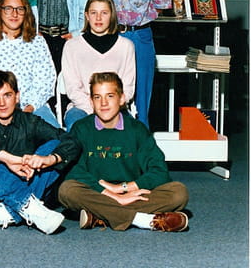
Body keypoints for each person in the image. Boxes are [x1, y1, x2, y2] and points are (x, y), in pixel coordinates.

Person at [58, 72, 189, 232]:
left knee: (178, 192)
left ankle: (101, 215)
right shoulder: (81, 128)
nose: (103, 103)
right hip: (97, 192)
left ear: (121, 99)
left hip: (132, 193)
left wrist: (123, 189)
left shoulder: (137, 129)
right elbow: (74, 171)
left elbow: (159, 170)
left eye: (110, 96)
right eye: (98, 97)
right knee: (67, 190)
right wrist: (112, 194)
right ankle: (143, 220)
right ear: (91, 102)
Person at [0, 70, 80, 234]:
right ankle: (26, 206)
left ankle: (6, 213)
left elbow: (71, 141)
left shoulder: (30, 121)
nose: (2, 103)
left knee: (54, 146)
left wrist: (49, 159)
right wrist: (8, 159)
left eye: (7, 95)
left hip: (20, 189)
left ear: (17, 96)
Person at [0, 0, 57, 126]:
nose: (14, 14)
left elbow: (45, 80)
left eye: (19, 9)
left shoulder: (37, 43)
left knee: (54, 135)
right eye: (8, 9)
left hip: (33, 107)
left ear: (26, 12)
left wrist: (30, 107)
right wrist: (2, 106)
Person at [61, 0, 136, 128]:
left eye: (104, 13)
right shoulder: (72, 46)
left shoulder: (126, 46)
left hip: (116, 108)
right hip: (82, 108)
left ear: (111, 16)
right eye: (93, 13)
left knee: (130, 131)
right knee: (77, 127)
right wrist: (95, 108)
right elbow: (73, 88)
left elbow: (128, 88)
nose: (98, 18)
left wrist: (110, 108)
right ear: (87, 16)